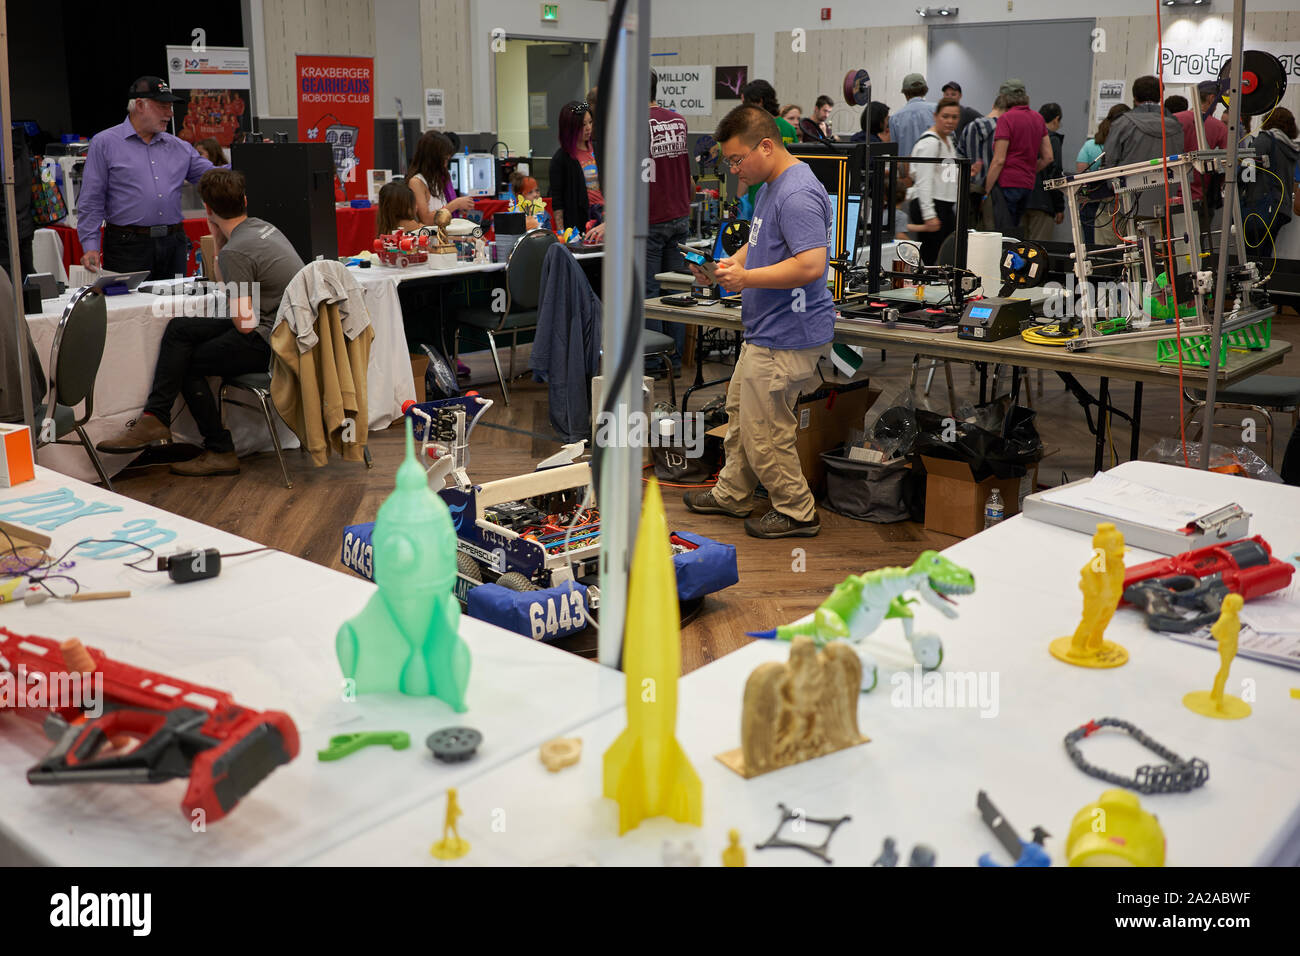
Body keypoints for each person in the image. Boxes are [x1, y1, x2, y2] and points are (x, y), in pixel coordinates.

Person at [681, 105, 833, 539]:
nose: (733, 170)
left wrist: (745, 278)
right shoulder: (772, 185)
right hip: (766, 330)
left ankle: (798, 512)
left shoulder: (797, 194)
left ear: (766, 146)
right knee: (741, 414)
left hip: (788, 335)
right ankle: (733, 493)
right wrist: (726, 267)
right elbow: (757, 242)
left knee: (766, 429)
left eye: (736, 160)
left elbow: (810, 266)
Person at [95, 169, 304, 477]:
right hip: (287, 327)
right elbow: (230, 291)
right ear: (245, 201)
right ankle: (156, 417)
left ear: (207, 209)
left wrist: (221, 244)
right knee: (180, 328)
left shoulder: (237, 251)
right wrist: (220, 240)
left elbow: (244, 324)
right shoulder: (264, 229)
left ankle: (218, 449)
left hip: (270, 339)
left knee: (186, 361)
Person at [77, 76, 217, 279]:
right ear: (140, 105)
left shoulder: (178, 146)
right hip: (127, 246)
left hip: (173, 243)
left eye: (170, 107)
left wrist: (252, 157)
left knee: (174, 307)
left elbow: (215, 177)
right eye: (163, 106)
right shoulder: (105, 143)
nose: (169, 114)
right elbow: (91, 199)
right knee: (131, 309)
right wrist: (90, 245)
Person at [645, 70, 693, 371]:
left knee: (649, 293)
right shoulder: (679, 120)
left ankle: (652, 361)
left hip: (650, 219)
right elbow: (686, 174)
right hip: (680, 214)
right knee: (676, 291)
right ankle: (674, 360)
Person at [1099, 75, 1181, 243]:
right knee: (1158, 259)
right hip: (1163, 209)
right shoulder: (1176, 126)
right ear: (1160, 96)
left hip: (1125, 207)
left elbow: (1108, 165)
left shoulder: (1122, 124)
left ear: (1134, 97)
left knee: (1106, 246)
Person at [983, 79, 1053, 237]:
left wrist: (985, 191)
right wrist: (1028, 170)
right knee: (1016, 231)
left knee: (1002, 233)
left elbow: (999, 160)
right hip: (1028, 184)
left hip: (1007, 184)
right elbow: (1048, 157)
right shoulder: (1038, 118)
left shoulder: (1006, 119)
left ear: (1004, 97)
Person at [1240, 108, 1298, 259]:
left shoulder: (1265, 140)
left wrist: (1238, 184)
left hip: (1261, 205)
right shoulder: (1292, 148)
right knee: (1265, 255)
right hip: (1282, 208)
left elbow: (1247, 171)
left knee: (1251, 256)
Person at [909, 98, 961, 264]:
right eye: (945, 116)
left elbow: (946, 175)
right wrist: (929, 214)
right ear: (936, 116)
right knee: (933, 260)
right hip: (931, 204)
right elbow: (923, 180)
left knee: (946, 257)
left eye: (954, 117)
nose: (950, 121)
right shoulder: (930, 143)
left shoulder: (947, 141)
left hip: (944, 205)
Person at [1175, 81, 1229, 234]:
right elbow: (1227, 164)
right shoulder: (1219, 128)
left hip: (1171, 195)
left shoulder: (1175, 119)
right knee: (1197, 247)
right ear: (1211, 98)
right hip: (1201, 199)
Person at [1076, 104, 1129, 244]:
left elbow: (1081, 172)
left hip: (1092, 201)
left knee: (1092, 244)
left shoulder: (1090, 145)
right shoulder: (1125, 143)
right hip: (1117, 201)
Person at [548, 101, 603, 236]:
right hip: (579, 221)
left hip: (604, 217)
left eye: (590, 122)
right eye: (582, 125)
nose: (588, 128)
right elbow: (558, 201)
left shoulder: (599, 149)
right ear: (570, 127)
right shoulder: (561, 159)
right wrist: (561, 232)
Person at [956, 94, 1005, 229]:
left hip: (968, 190)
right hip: (994, 193)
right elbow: (1001, 161)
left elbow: (958, 157)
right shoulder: (1004, 129)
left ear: (993, 106)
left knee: (970, 235)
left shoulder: (969, 127)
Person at [407, 131, 475, 225]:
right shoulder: (416, 182)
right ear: (433, 159)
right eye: (444, 159)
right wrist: (455, 204)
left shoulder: (436, 179)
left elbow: (440, 209)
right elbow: (426, 219)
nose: (445, 164)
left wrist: (458, 209)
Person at [1023, 103, 1066, 241]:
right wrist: (1059, 207)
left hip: (1020, 198)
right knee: (1037, 251)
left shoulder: (1027, 134)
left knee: (1018, 248)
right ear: (1056, 119)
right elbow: (1055, 173)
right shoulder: (1053, 140)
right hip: (1043, 201)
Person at [889, 73, 937, 159]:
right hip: (935, 169)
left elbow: (894, 153)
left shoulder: (894, 118)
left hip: (907, 170)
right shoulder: (937, 110)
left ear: (905, 93)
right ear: (925, 90)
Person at [742, 80, 798, 145]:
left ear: (759, 102)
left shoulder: (750, 128)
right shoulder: (789, 128)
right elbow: (797, 153)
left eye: (745, 102)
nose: (744, 107)